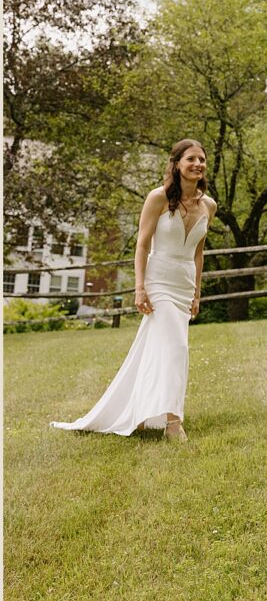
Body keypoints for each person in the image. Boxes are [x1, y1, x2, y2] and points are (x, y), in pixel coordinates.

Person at [51, 139, 217, 441]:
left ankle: (139, 411)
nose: (197, 165)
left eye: (202, 160)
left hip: (184, 283)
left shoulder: (209, 205)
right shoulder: (158, 198)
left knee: (158, 348)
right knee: (177, 348)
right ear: (177, 163)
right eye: (191, 159)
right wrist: (139, 288)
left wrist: (197, 292)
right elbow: (142, 244)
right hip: (159, 280)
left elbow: (198, 253)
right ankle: (172, 422)